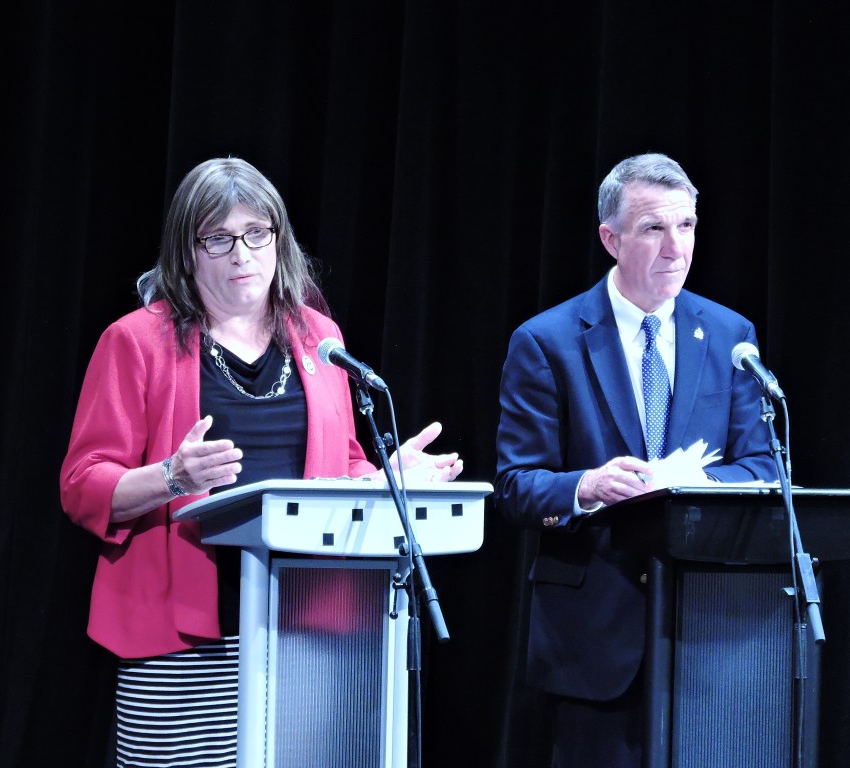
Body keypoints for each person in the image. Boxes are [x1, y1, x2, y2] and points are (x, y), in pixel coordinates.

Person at [59, 156, 463, 767]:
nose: (241, 253)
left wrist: (384, 478)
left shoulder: (317, 336)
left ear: (279, 240)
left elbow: (337, 465)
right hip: (182, 638)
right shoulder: (136, 341)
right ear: (187, 250)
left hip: (305, 627)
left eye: (257, 234)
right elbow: (84, 484)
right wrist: (173, 476)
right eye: (218, 238)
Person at [494, 153, 777, 767]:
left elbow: (762, 467)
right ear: (610, 238)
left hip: (710, 627)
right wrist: (587, 485)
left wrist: (689, 483)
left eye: (688, 226)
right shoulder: (547, 340)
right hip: (595, 633)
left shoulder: (731, 335)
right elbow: (517, 486)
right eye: (654, 228)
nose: (676, 248)